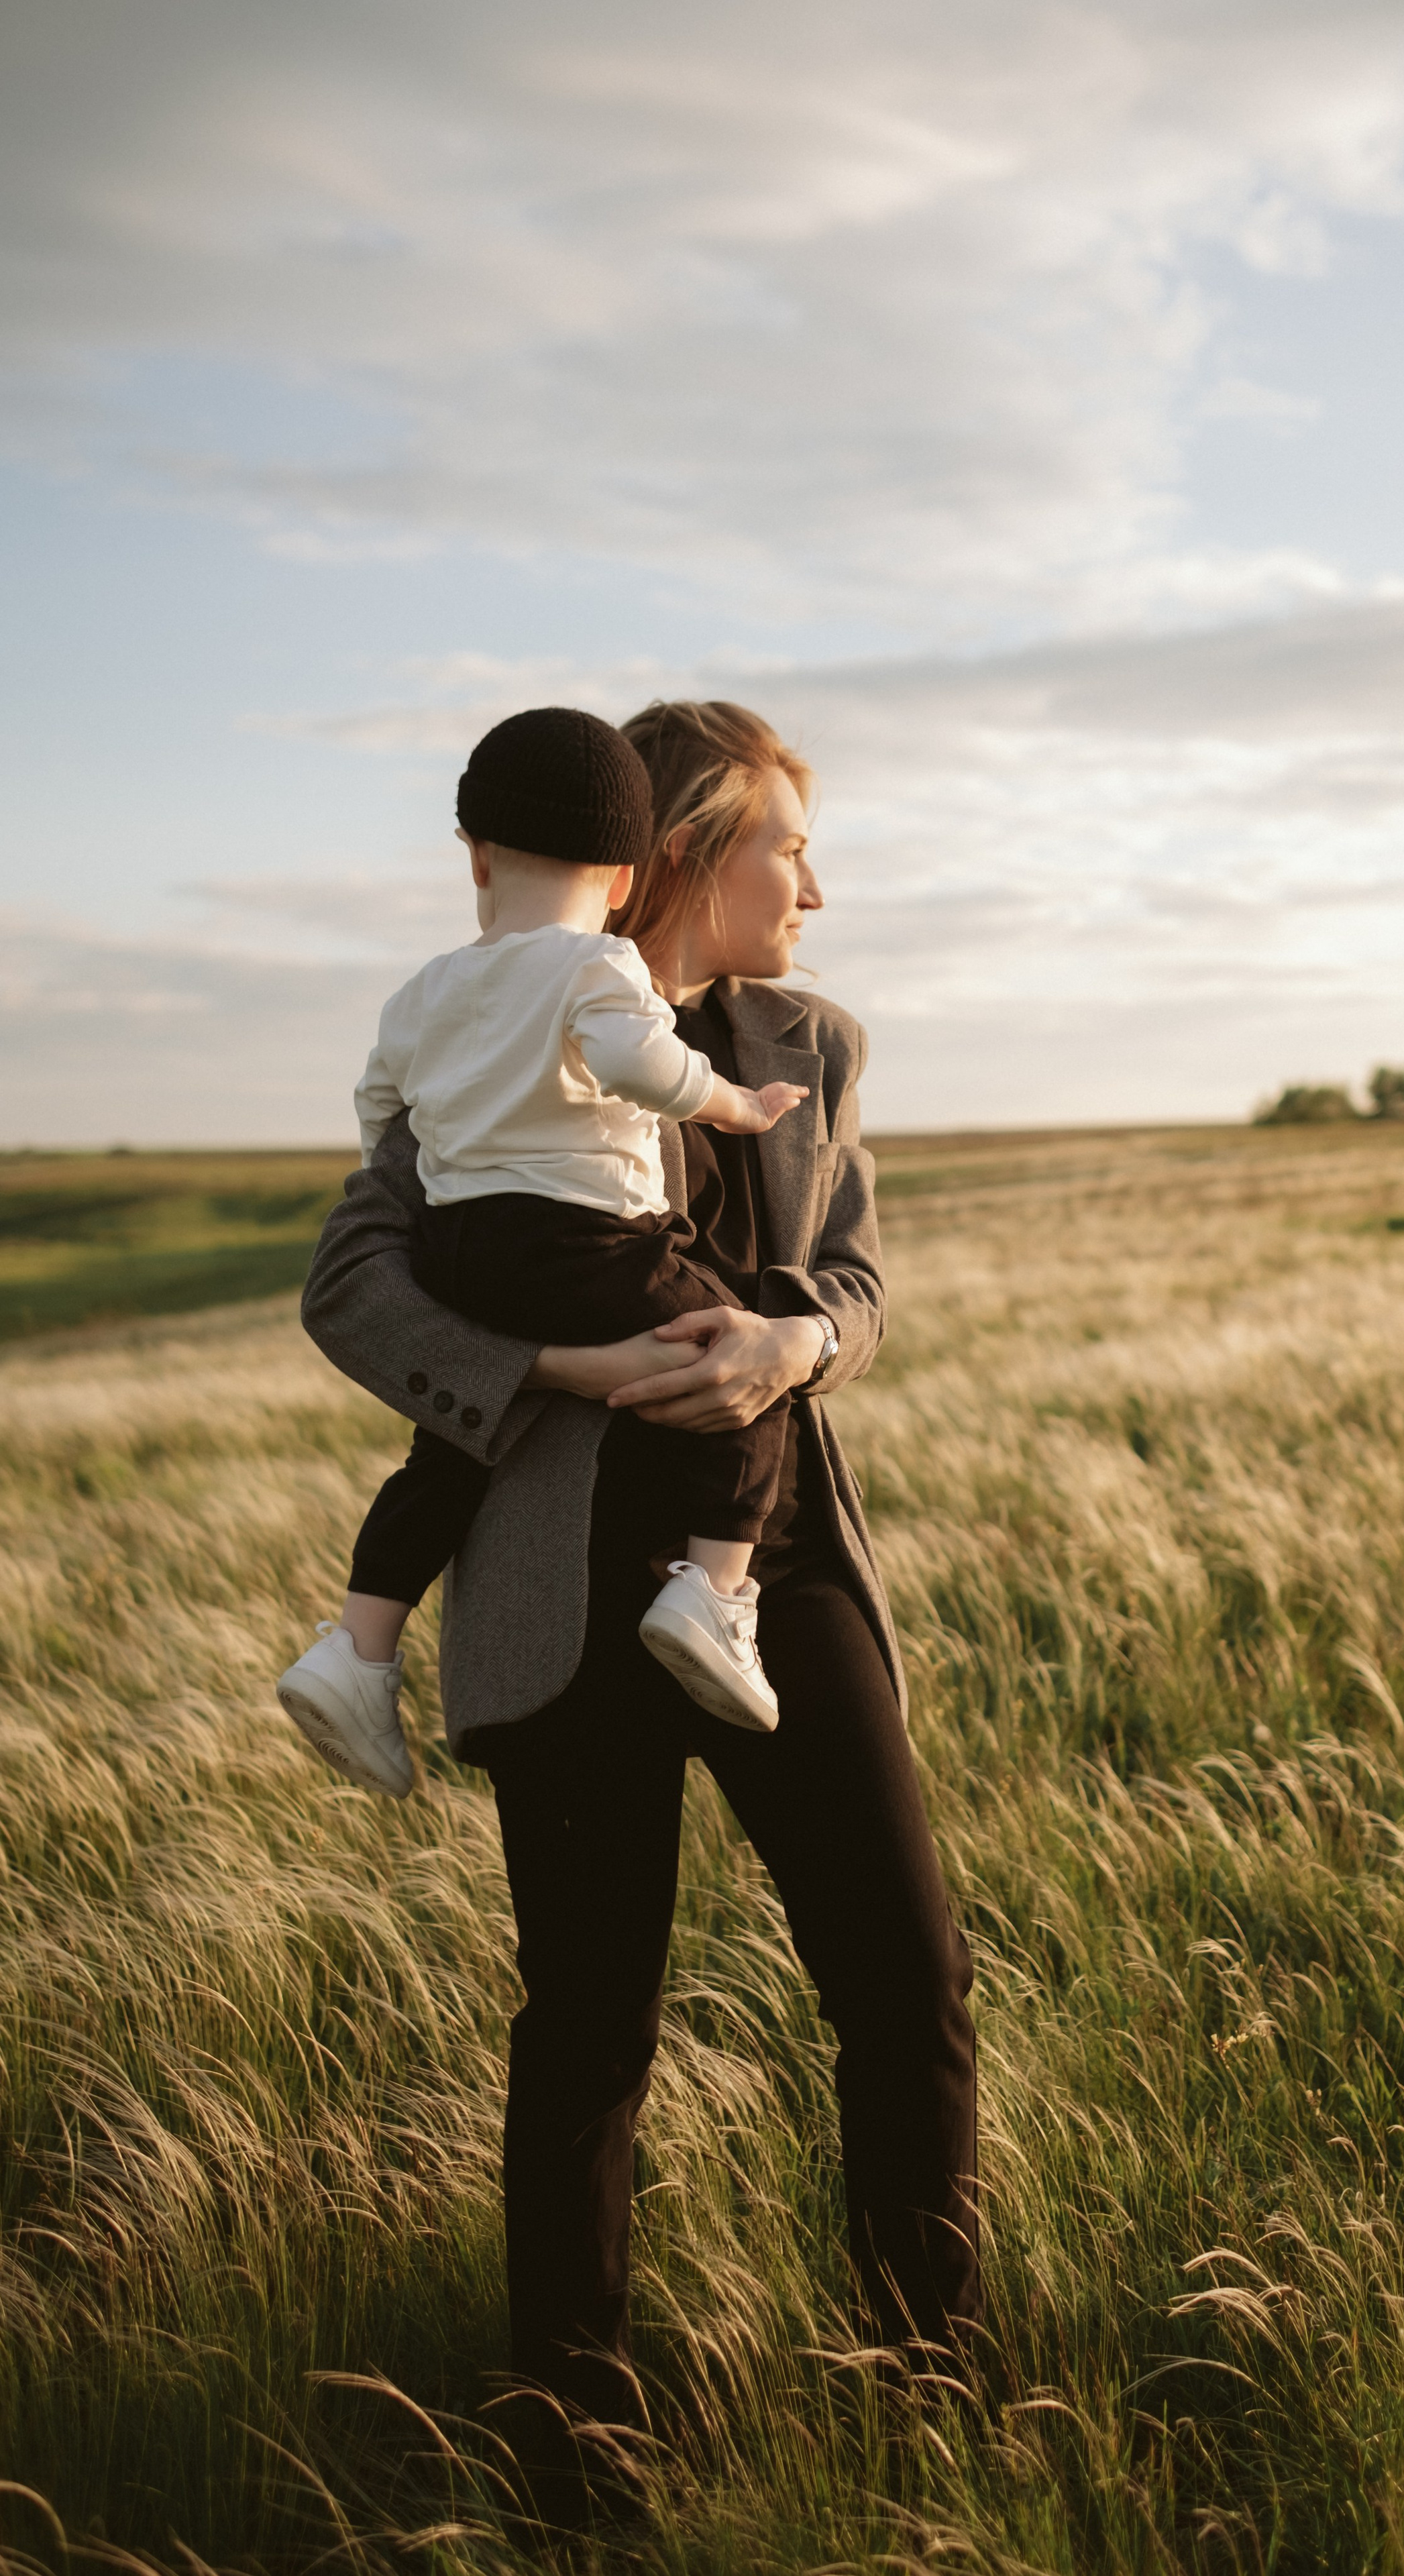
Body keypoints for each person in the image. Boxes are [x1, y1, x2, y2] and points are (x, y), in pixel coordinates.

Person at [298, 698, 979, 2479]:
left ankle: (945, 2387)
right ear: (680, 846)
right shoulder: (503, 1019)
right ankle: (565, 2445)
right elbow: (358, 1288)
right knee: (592, 2023)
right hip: (561, 1570)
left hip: (783, 1570)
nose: (812, 891)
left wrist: (787, 1348)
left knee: (906, 1977)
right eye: (785, 846)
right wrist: (569, 1375)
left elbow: (857, 1283)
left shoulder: (815, 1044)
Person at [276, 707, 810, 1780]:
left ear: (475, 858)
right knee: (739, 1354)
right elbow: (635, 1065)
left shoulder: (424, 990)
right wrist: (730, 1106)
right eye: (794, 851)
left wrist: (444, 1185)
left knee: (448, 1451)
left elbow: (382, 1112)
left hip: (460, 1244)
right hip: (584, 1238)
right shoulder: (602, 969)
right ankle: (712, 1594)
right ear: (624, 877)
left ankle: (358, 1650)